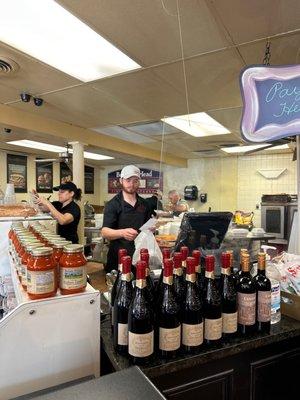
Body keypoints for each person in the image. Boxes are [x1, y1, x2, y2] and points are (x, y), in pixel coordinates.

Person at [101, 165, 151, 272]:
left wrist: (151, 229)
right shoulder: (113, 204)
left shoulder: (145, 204)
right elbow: (105, 232)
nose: (131, 184)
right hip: (119, 256)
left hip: (139, 257)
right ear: (121, 180)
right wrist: (122, 233)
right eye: (128, 180)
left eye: (135, 181)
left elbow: (146, 228)